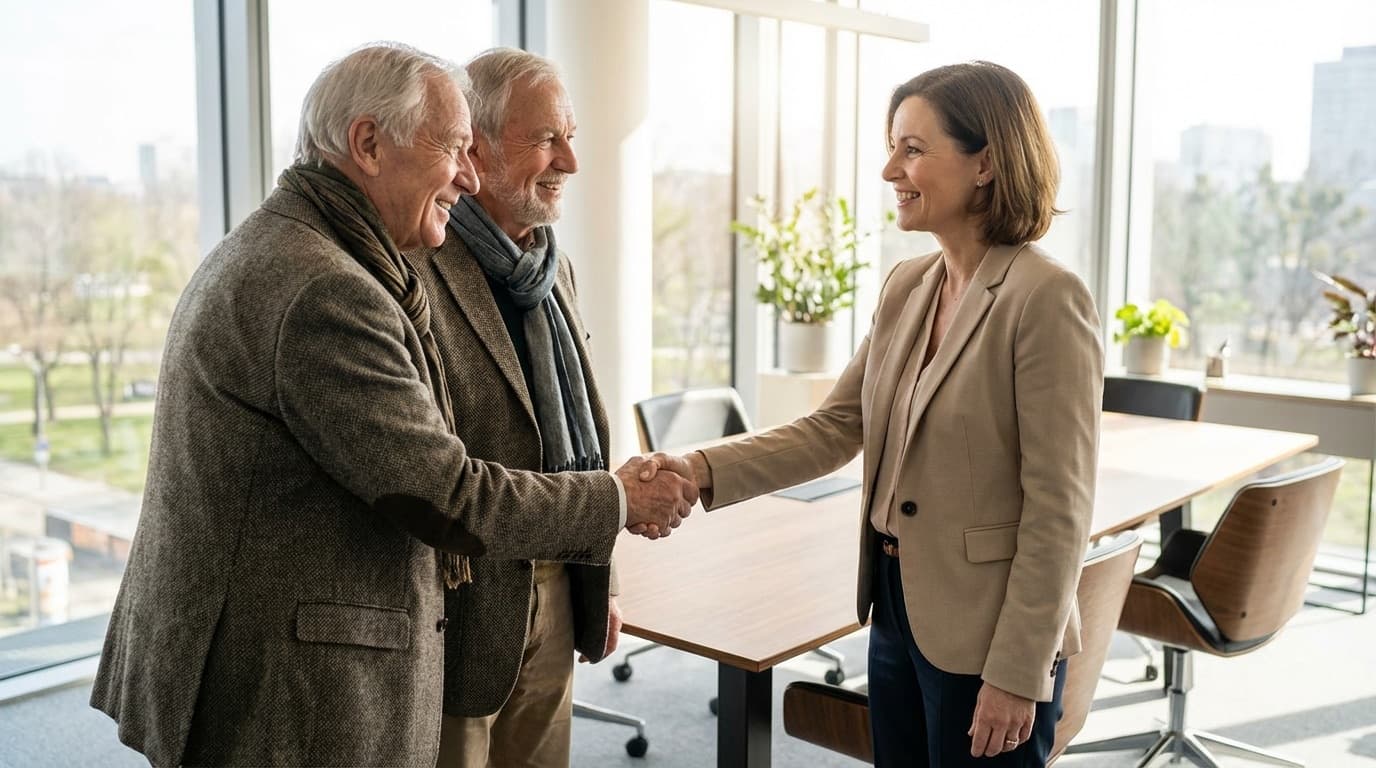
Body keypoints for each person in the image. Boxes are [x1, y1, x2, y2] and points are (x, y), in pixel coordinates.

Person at [89, 42, 695, 768]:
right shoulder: (325, 288)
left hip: (290, 646)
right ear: (369, 144)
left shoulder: (310, 250)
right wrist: (619, 500)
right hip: (285, 678)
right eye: (455, 148)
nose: (466, 177)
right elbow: (447, 492)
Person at [667, 61, 1102, 766]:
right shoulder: (910, 285)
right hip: (897, 609)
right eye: (892, 146)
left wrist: (1018, 672)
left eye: (912, 149)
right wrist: (696, 468)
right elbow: (835, 427)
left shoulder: (1045, 298)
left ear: (985, 162)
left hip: (988, 632)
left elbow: (1060, 508)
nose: (888, 169)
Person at [399, 47, 620, 767]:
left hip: (557, 581)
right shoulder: (416, 272)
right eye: (546, 139)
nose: (569, 163)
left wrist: (599, 578)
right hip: (459, 607)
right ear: (477, 148)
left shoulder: (551, 266)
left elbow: (579, 434)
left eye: (571, 137)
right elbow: (426, 473)